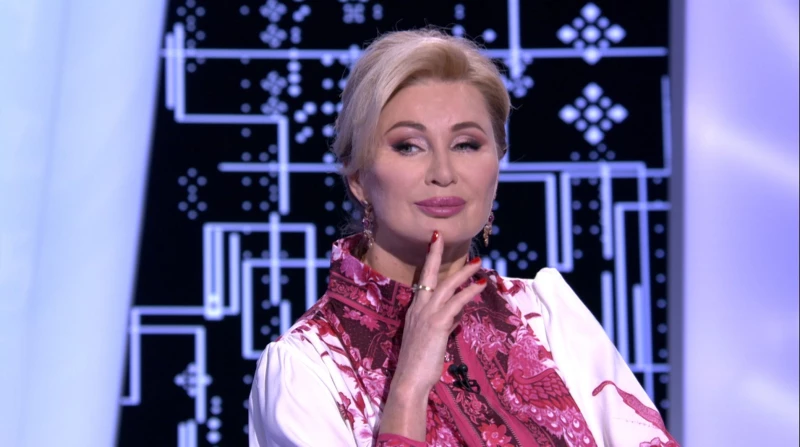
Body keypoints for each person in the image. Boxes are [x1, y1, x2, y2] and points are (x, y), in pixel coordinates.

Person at [248, 29, 678, 447]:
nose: (443, 173)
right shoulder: (308, 368)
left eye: (466, 144)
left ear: (497, 165)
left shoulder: (545, 318)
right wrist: (408, 391)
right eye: (409, 146)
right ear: (358, 177)